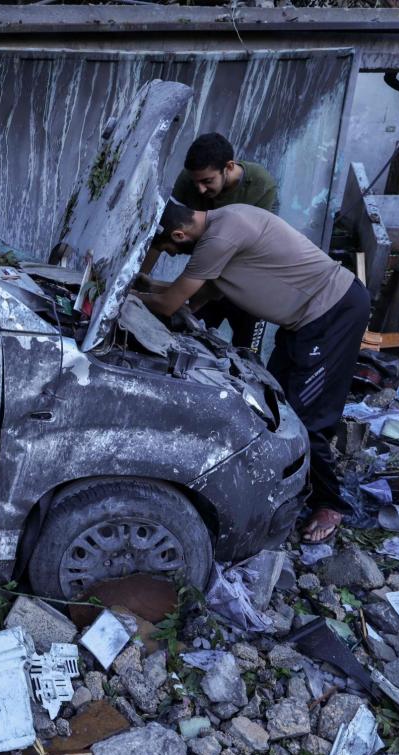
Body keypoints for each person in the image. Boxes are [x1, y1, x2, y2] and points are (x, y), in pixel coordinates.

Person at [137, 201, 370, 545]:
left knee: (305, 416)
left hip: (332, 313)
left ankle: (329, 504)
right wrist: (148, 286)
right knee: (274, 404)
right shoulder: (224, 221)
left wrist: (128, 292)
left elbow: (171, 303)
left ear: (179, 234)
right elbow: (193, 301)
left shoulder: (218, 238)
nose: (174, 254)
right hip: (305, 321)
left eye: (169, 248)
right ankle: (286, 489)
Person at [141, 133, 280, 352]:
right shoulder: (189, 180)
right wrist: (139, 279)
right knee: (185, 341)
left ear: (229, 167)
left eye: (207, 181)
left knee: (246, 356)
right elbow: (165, 230)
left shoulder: (261, 186)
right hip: (204, 277)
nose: (200, 190)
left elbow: (251, 251)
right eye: (196, 182)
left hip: (247, 285)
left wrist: (178, 296)